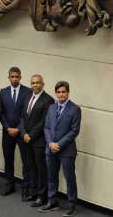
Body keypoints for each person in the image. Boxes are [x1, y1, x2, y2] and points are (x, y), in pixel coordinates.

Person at [39, 81, 81, 217]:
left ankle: (71, 204)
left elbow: (74, 131)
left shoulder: (75, 109)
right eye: (58, 92)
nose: (61, 94)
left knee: (69, 178)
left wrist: (59, 144)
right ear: (56, 93)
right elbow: (46, 127)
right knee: (51, 177)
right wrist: (51, 143)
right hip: (50, 149)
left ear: (68, 92)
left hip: (67, 150)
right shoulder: (51, 108)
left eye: (63, 92)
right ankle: (52, 202)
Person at [19, 74, 54, 207]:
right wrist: (23, 133)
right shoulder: (27, 96)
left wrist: (30, 135)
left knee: (41, 169)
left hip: (38, 141)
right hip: (26, 139)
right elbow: (22, 117)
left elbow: (43, 122)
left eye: (38, 83)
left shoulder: (48, 100)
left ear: (43, 84)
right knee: (30, 166)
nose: (35, 85)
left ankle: (42, 196)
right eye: (33, 83)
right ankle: (33, 192)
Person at [0, 67, 31, 198]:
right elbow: (1, 113)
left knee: (26, 161)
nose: (14, 79)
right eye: (12, 77)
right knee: (8, 159)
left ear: (20, 77)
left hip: (22, 132)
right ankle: (9, 185)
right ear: (9, 78)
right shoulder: (3, 92)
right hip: (7, 133)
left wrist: (18, 129)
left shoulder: (27, 92)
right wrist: (7, 128)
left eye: (17, 77)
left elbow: (27, 114)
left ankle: (26, 188)